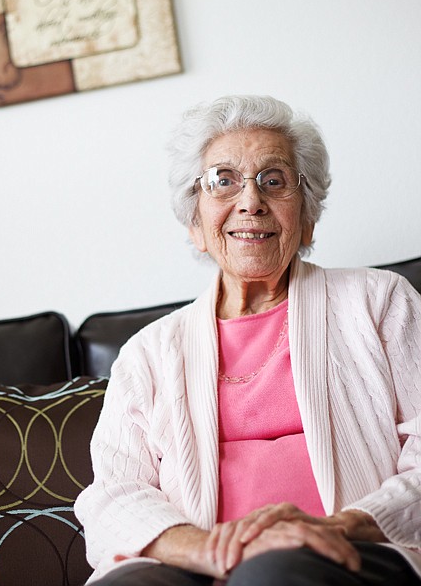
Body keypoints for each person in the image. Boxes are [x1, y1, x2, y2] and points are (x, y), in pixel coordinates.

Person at [75, 95, 421, 586]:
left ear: (307, 217)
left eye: (274, 180)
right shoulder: (149, 354)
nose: (250, 201)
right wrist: (211, 550)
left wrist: (341, 527)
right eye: (223, 181)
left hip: (350, 553)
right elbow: (112, 495)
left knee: (272, 575)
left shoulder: (379, 302)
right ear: (196, 223)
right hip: (191, 565)